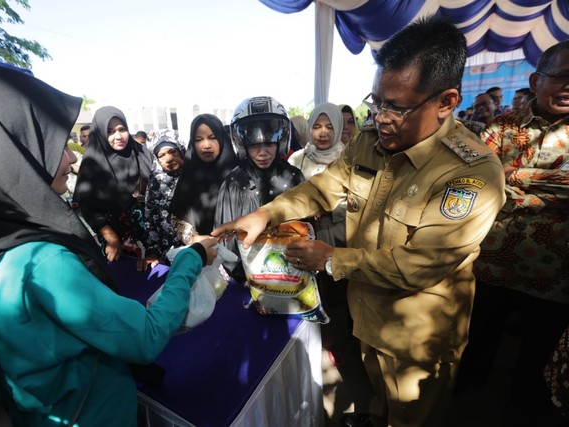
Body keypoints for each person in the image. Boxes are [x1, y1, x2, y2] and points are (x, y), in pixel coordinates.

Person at [213, 15, 506, 427]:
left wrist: (331, 260)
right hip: (365, 314)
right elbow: (320, 189)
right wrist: (265, 214)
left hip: (417, 334)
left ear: (446, 102)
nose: (382, 117)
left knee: (413, 416)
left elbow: (421, 264)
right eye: (377, 102)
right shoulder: (371, 143)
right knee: (378, 398)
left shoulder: (469, 175)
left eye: (397, 107)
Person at [0, 64, 218, 426]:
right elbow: (144, 336)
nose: (70, 157)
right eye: (54, 146)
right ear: (9, 153)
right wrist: (192, 258)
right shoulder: (40, 262)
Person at [457, 40, 569, 426]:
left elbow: (499, 179)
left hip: (556, 274)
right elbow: (472, 179)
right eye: (563, 76)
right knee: (477, 344)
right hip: (491, 263)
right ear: (536, 80)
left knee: (537, 360)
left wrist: (514, 177)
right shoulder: (502, 128)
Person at [214, 96, 305, 283]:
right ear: (242, 144)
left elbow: (305, 231)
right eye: (254, 145)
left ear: (281, 141)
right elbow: (227, 245)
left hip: (291, 275)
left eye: (270, 143)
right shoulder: (234, 182)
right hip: (247, 278)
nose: (262, 152)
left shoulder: (294, 176)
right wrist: (244, 277)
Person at [73, 106, 154, 268]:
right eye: (110, 131)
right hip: (116, 244)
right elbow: (88, 207)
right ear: (100, 133)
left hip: (152, 240)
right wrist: (112, 238)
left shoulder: (142, 153)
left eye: (121, 129)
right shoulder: (92, 164)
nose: (118, 136)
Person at [170, 113, 238, 243]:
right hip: (203, 255)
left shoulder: (239, 175)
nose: (206, 145)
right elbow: (176, 216)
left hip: (240, 252)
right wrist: (194, 238)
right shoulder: (189, 176)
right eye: (198, 139)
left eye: (212, 138)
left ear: (221, 138)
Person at [143, 128, 186, 266]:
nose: (168, 159)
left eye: (173, 152)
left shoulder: (196, 176)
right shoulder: (156, 181)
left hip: (199, 249)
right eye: (161, 155)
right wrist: (152, 251)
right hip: (168, 254)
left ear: (181, 150)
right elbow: (150, 217)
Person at [288, 102, 344, 179]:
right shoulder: (297, 159)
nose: (323, 134)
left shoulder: (347, 160)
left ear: (338, 128)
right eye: (317, 127)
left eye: (330, 127)